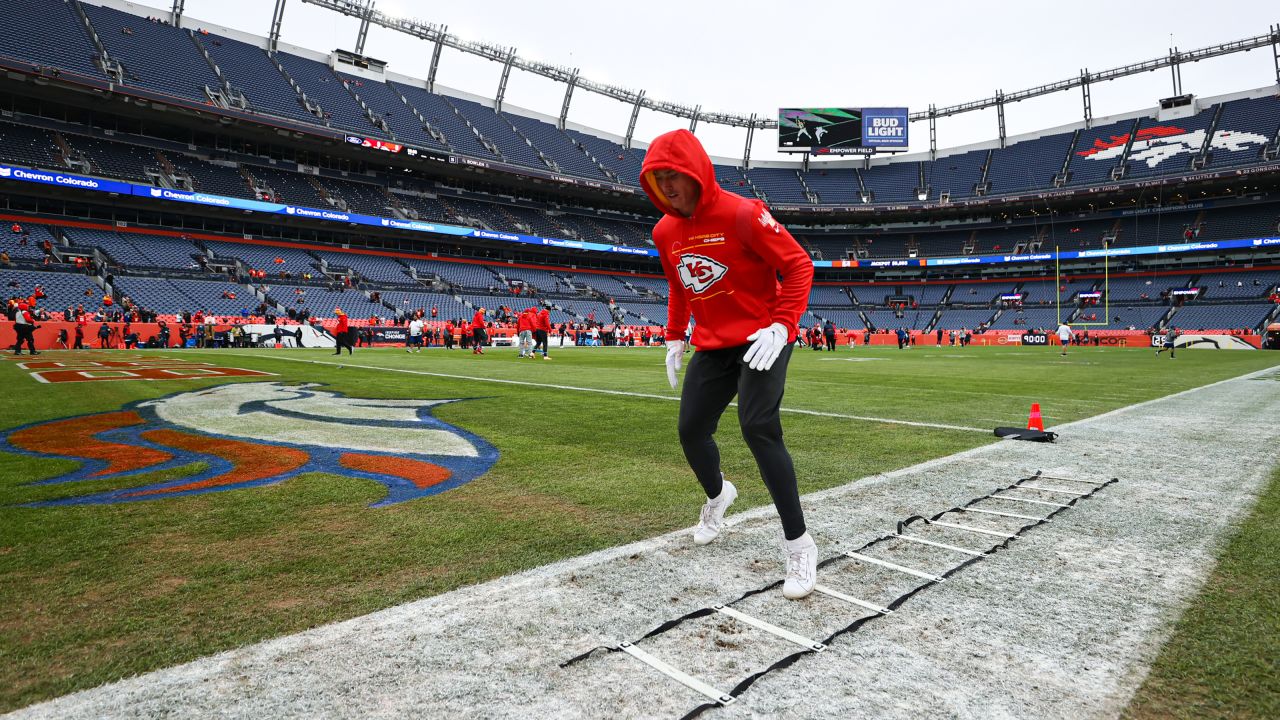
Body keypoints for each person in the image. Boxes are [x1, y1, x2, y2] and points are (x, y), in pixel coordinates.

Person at [642, 128, 817, 600]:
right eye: (658, 178)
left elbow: (799, 265)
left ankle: (800, 545)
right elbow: (681, 285)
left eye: (673, 175)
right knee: (690, 429)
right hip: (714, 343)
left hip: (763, 336)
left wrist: (782, 324)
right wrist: (674, 337)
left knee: (758, 426)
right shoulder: (663, 231)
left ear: (695, 172)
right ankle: (719, 496)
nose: (668, 187)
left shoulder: (742, 213)